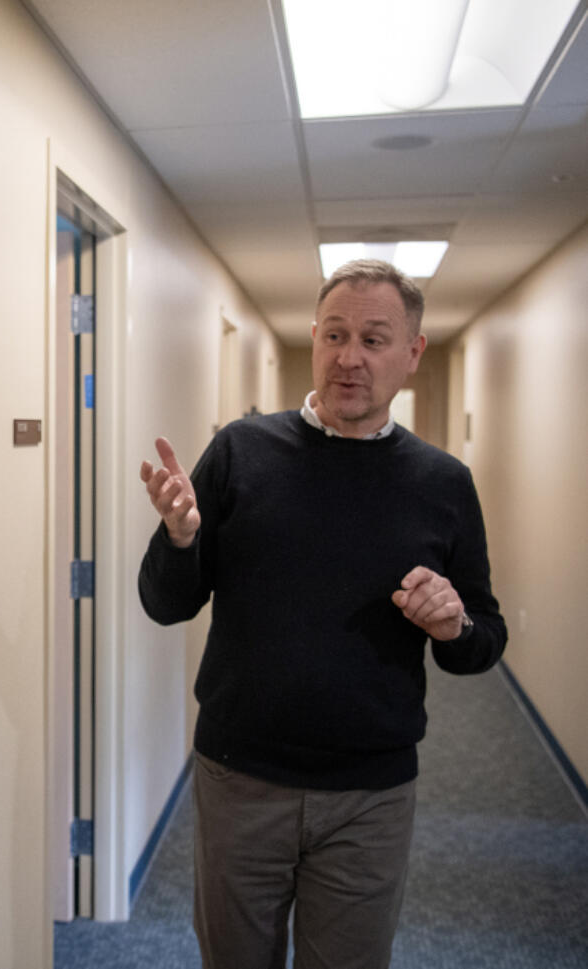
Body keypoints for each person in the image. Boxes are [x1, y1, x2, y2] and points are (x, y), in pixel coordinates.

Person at [137, 258, 506, 969]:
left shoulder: (443, 484)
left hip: (371, 795)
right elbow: (164, 603)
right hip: (240, 778)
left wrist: (453, 623)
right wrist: (180, 537)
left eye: (373, 339)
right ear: (314, 338)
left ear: (412, 352)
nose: (349, 357)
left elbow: (483, 639)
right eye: (335, 334)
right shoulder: (243, 452)